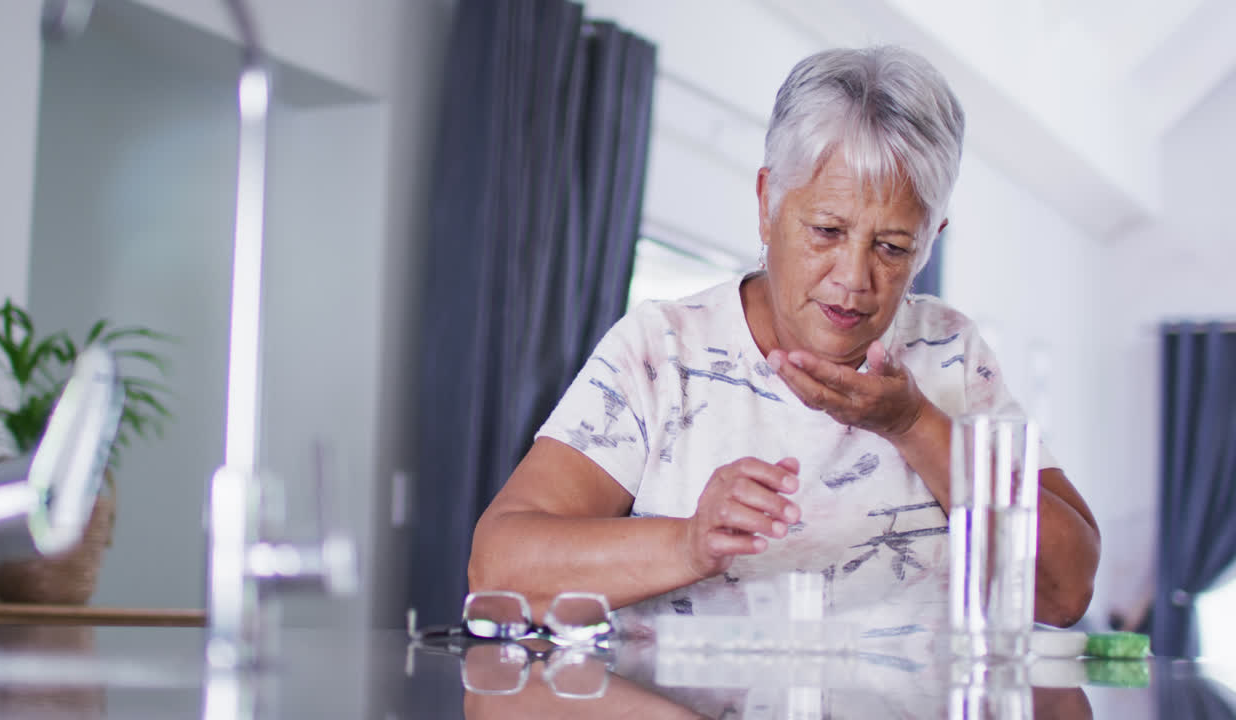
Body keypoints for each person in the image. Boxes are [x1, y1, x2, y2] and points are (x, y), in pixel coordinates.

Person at [468, 45, 1100, 634]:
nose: (854, 280)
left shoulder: (949, 350)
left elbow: (1064, 592)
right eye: (826, 230)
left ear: (931, 239)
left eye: (892, 246)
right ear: (769, 202)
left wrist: (914, 424)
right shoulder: (662, 349)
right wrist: (688, 543)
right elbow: (498, 570)